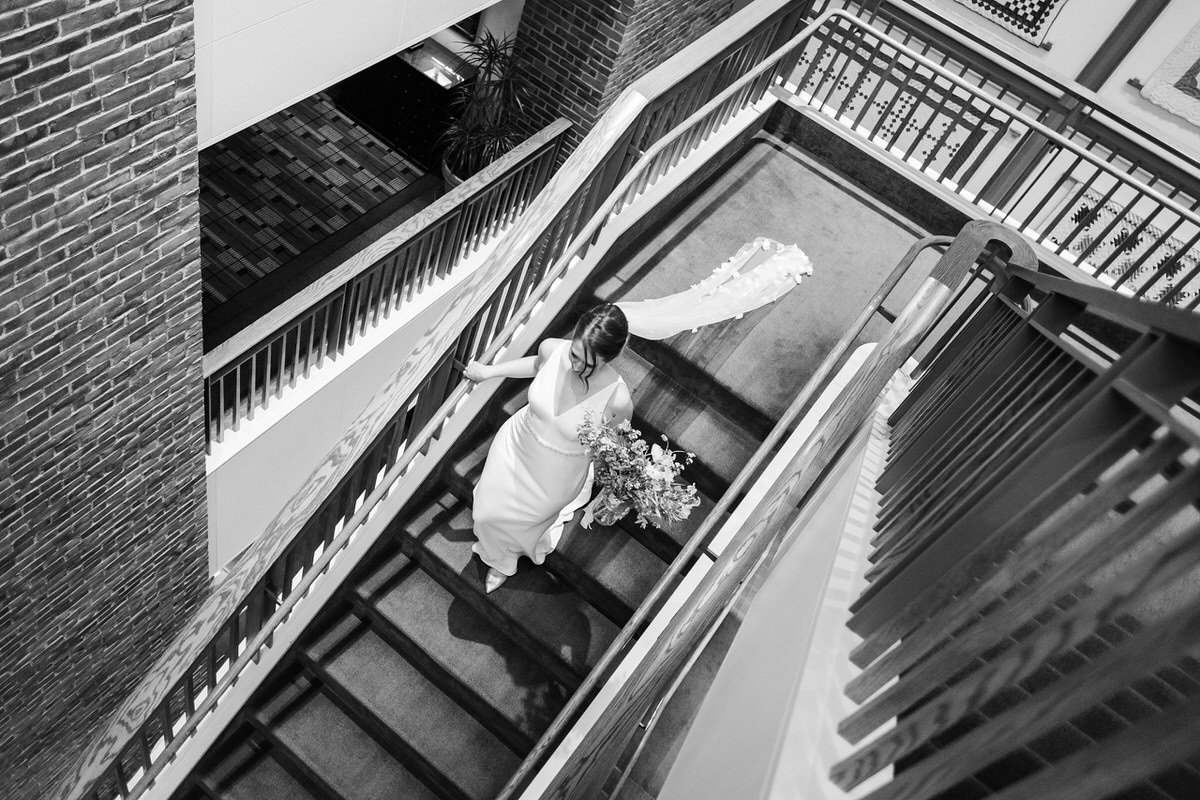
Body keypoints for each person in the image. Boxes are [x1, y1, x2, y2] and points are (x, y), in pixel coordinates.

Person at [464, 304, 634, 593]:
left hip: (558, 474)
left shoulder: (617, 399)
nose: (578, 367)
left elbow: (618, 440)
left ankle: (503, 561)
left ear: (610, 358)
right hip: (517, 445)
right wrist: (489, 372)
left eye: (590, 364)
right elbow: (535, 365)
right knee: (487, 511)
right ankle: (495, 547)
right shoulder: (553, 349)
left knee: (525, 522)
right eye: (575, 355)